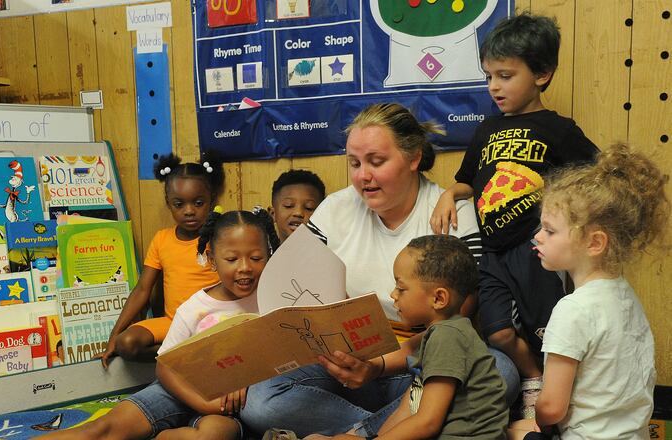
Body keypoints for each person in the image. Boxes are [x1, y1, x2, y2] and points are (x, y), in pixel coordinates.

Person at [242, 102, 519, 438]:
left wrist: (380, 365)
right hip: (349, 367)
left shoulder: (449, 212)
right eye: (355, 163)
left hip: (423, 365)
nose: (363, 176)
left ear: (414, 157)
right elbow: (294, 297)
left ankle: (360, 434)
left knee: (500, 372)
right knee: (259, 401)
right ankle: (408, 428)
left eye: (377, 162)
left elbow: (461, 314)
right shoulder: (336, 209)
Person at [429, 13, 599, 418]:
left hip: (538, 252)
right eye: (489, 76)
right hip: (493, 253)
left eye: (505, 75)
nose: (494, 86)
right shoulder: (486, 129)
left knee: (549, 332)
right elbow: (468, 180)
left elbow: (595, 177)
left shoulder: (558, 129)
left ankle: (555, 405)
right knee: (500, 331)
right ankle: (533, 379)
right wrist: (449, 194)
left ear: (541, 74)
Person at [39, 209, 282, 440]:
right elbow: (164, 368)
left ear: (269, 255)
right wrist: (202, 402)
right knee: (104, 430)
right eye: (231, 259)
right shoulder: (194, 307)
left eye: (256, 257)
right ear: (212, 259)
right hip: (180, 389)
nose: (245, 268)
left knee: (214, 435)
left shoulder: (274, 299)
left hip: (228, 405)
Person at [510, 144, 666, 439]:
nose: (537, 237)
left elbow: (552, 408)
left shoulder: (573, 309)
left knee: (513, 430)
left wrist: (536, 424)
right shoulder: (626, 296)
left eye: (550, 230)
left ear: (594, 243)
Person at [307, 235, 508, 440]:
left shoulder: (448, 338)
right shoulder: (436, 335)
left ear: (438, 298)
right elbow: (408, 409)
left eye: (401, 288)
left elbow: (427, 422)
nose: (393, 295)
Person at [95, 152, 224, 368]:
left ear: (211, 201)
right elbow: (142, 290)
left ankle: (186, 352)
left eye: (198, 203)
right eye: (179, 204)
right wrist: (114, 336)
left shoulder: (219, 237)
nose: (189, 211)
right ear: (168, 203)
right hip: (172, 323)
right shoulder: (162, 239)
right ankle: (181, 354)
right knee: (126, 344)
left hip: (212, 324)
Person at [268, 169, 326, 242]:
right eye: (288, 206)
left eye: (309, 208)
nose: (298, 213)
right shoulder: (262, 252)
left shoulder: (332, 252)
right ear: (273, 214)